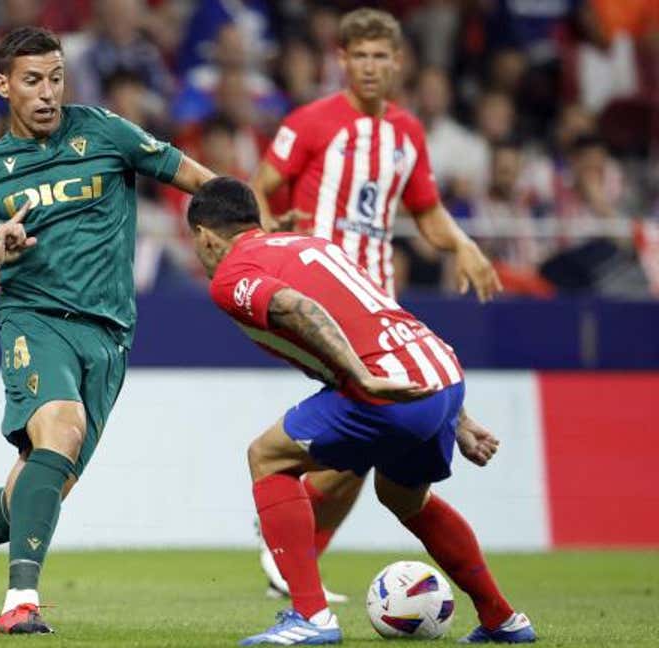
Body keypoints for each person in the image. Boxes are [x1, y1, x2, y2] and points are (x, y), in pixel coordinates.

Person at [0, 26, 215, 634]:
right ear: (3, 85)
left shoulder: (106, 133)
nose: (47, 94)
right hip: (33, 320)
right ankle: (20, 604)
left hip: (110, 336)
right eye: (32, 81)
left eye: (56, 78)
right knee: (61, 426)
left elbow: (197, 180)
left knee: (31, 498)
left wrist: (249, 226)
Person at [187, 177, 537, 645]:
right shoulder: (312, 244)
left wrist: (360, 375)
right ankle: (502, 619)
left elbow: (295, 307)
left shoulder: (232, 275)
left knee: (267, 457)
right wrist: (458, 416)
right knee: (404, 497)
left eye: (196, 243)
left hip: (384, 391)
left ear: (206, 235)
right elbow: (381, 314)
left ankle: (311, 617)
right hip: (440, 375)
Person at [249, 8, 502, 600]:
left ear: (397, 63)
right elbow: (260, 186)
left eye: (379, 56)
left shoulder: (407, 134)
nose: (368, 66)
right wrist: (268, 243)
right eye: (358, 55)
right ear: (341, 60)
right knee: (371, 429)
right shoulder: (311, 122)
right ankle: (288, 537)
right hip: (320, 298)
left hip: (378, 298)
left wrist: (462, 244)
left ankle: (291, 549)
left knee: (365, 449)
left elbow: (427, 210)